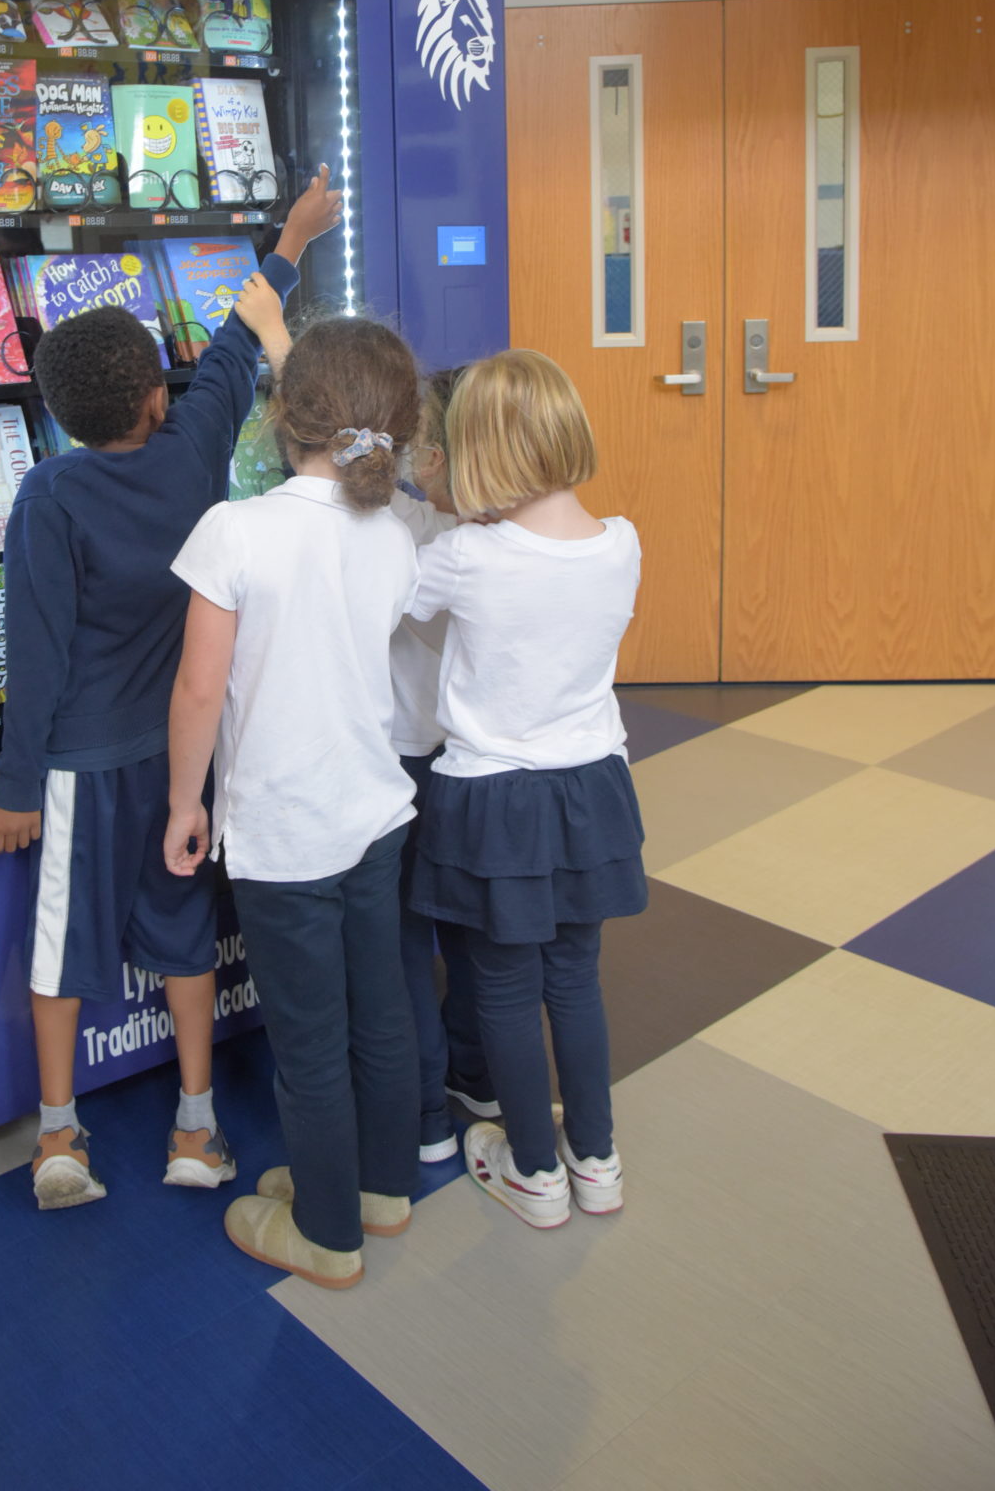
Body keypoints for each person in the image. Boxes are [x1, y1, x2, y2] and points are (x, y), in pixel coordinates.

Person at [0, 170, 340, 1211]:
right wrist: (290, 239)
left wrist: (12, 785)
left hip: (78, 768)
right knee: (184, 933)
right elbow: (232, 347)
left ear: (53, 411)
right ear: (153, 396)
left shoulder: (48, 494)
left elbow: (37, 651)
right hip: (181, 760)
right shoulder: (192, 459)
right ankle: (196, 1124)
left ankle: (58, 1137)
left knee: (60, 946)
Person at [165, 312, 423, 1290]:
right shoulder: (393, 531)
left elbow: (198, 691)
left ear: (278, 413)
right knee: (381, 1013)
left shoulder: (235, 529)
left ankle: (324, 1232)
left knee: (307, 1038)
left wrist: (184, 802)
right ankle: (378, 1190)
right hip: (375, 812)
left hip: (283, 830)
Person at [408, 350, 646, 1229]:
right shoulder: (620, 541)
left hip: (494, 798)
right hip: (591, 788)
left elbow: (379, 600)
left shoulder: (466, 556)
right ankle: (596, 1159)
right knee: (575, 981)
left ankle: (533, 1172)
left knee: (504, 987)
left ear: (475, 449)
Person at [390, 370, 496, 1162]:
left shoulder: (406, 531)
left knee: (400, 943)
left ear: (431, 454)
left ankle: (423, 1118)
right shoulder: (508, 537)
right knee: (470, 937)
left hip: (397, 760)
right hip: (471, 766)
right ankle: (480, 1079)